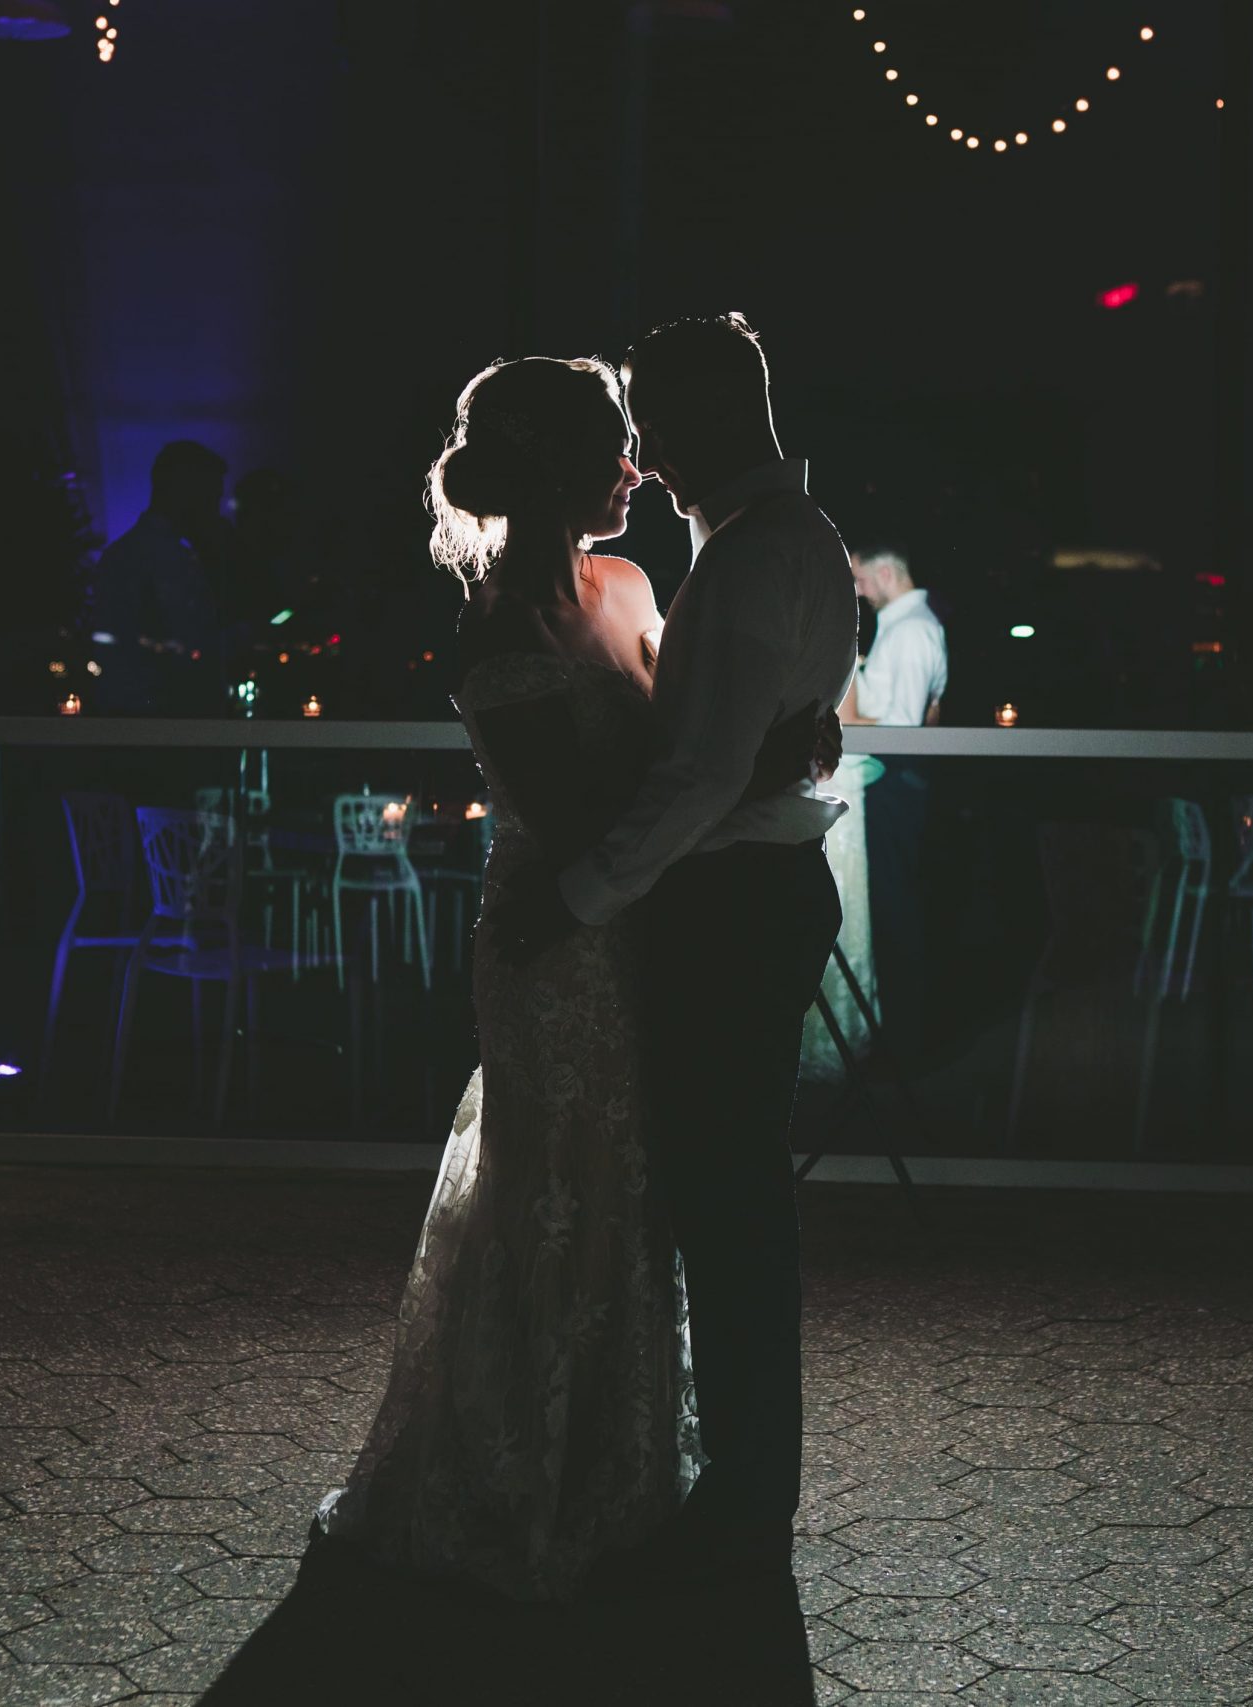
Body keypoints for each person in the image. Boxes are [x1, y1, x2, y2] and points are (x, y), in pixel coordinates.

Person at [309, 354, 834, 1601]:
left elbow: (672, 771)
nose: (636, 463)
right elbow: (600, 817)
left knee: (634, 1197)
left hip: (631, 925)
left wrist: (748, 755)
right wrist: (765, 768)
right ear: (554, 465)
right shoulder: (493, 634)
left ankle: (623, 1457)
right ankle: (524, 1468)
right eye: (613, 440)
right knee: (561, 1194)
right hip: (557, 947)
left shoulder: (633, 581)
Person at [506, 313, 858, 1585]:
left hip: (733, 903)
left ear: (711, 413)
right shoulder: (783, 542)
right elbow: (741, 746)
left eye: (652, 420)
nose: (642, 456)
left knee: (728, 1204)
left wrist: (580, 896)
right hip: (759, 887)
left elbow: (703, 771)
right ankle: (743, 1473)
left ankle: (748, 1487)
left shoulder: (754, 555)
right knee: (728, 1196)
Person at [838, 547, 945, 1026]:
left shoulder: (913, 629)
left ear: (886, 572)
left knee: (897, 906)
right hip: (887, 778)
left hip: (897, 779)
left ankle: (908, 1031)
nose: (858, 589)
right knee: (889, 904)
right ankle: (900, 1022)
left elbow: (904, 727)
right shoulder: (901, 627)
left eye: (861, 579)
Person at [87, 440, 226, 711]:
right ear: (186, 492)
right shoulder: (158, 559)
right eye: (210, 497)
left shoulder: (131, 554)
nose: (215, 510)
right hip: (159, 720)